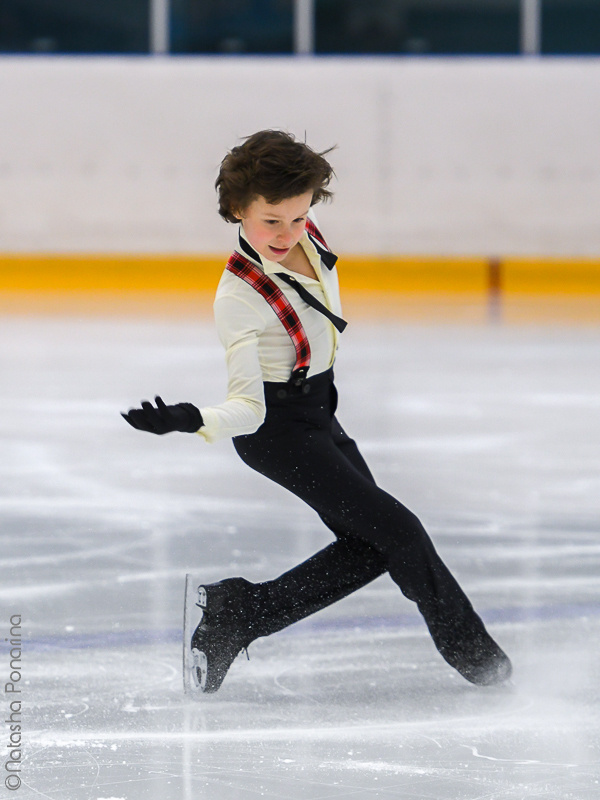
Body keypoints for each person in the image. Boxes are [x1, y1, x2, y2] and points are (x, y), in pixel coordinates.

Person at [122, 129, 512, 695]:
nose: (287, 234)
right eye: (271, 221)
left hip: (320, 413)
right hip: (276, 432)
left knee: (374, 546)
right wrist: (193, 419)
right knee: (401, 533)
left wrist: (298, 225)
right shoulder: (239, 297)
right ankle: (484, 664)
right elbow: (247, 409)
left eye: (299, 218)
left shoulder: (308, 237)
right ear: (237, 210)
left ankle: (240, 611)